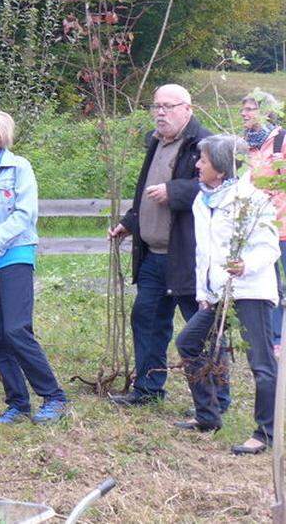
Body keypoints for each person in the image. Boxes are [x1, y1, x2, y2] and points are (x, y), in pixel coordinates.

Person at [108, 84, 226, 408]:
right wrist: (130, 223)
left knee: (201, 329)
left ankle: (216, 399)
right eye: (156, 106)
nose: (160, 113)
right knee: (146, 320)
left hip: (187, 257)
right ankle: (147, 391)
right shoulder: (156, 142)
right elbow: (145, 193)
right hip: (153, 256)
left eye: (168, 106)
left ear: (187, 109)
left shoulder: (204, 143)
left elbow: (220, 187)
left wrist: (174, 191)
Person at [0, 109, 68, 424]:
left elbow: (24, 214)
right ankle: (18, 404)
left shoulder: (19, 168)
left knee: (16, 329)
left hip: (14, 254)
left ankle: (54, 397)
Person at [175, 134, 279, 455]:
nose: (197, 164)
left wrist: (244, 265)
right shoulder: (201, 200)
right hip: (219, 292)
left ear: (220, 168)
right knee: (188, 342)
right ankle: (208, 416)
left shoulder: (249, 200)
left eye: (203, 160)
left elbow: (270, 247)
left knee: (260, 364)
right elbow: (202, 255)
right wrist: (203, 292)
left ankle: (265, 433)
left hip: (249, 290)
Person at [241, 90, 286, 353]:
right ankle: (270, 339)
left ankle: (278, 339)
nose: (244, 114)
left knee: (282, 286)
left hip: (281, 226)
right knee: (266, 284)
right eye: (243, 110)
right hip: (254, 227)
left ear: (264, 111)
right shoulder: (243, 145)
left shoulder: (280, 140)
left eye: (250, 109)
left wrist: (268, 199)